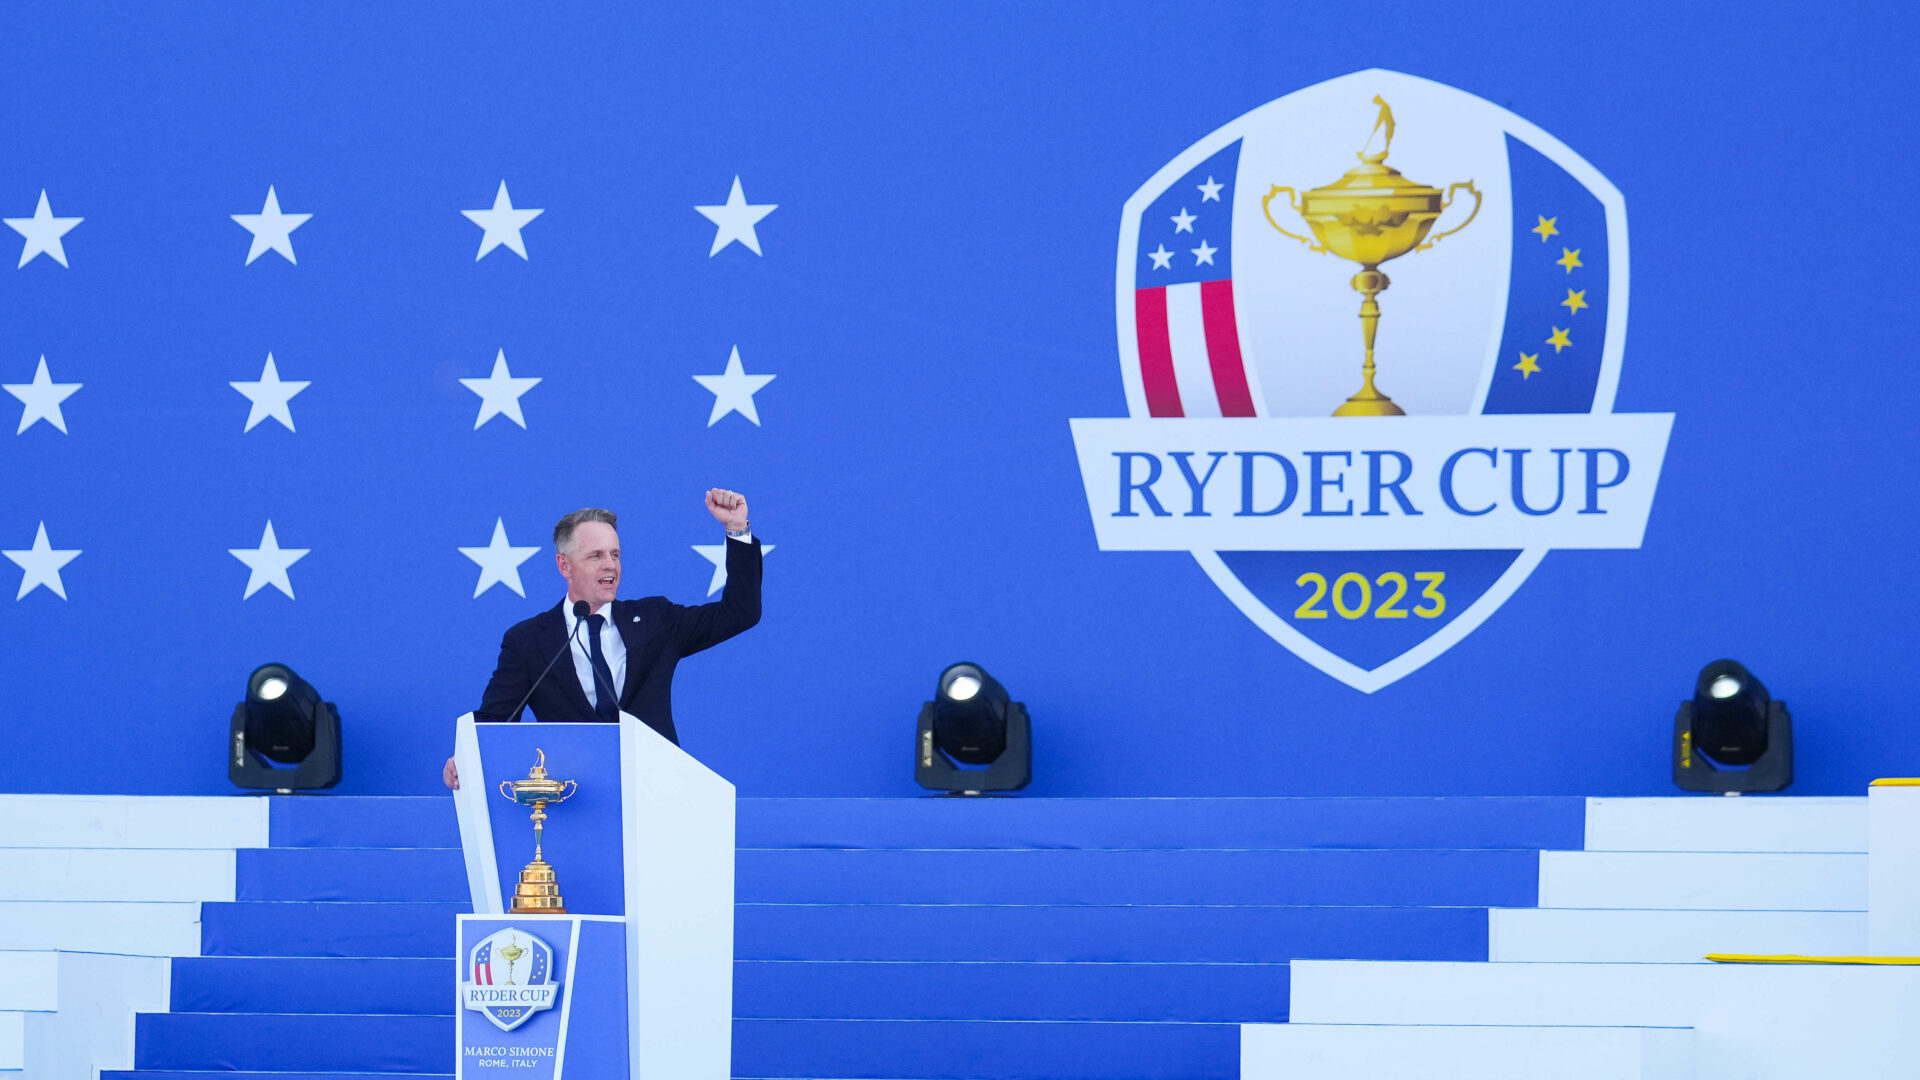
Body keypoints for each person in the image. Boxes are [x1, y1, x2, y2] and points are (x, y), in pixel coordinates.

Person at [443, 489, 761, 789]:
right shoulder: (528, 640)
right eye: (596, 555)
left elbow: (740, 613)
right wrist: (465, 755)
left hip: (656, 792)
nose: (610, 565)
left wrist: (737, 530)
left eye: (615, 554)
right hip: (573, 800)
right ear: (564, 565)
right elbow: (497, 718)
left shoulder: (656, 619)